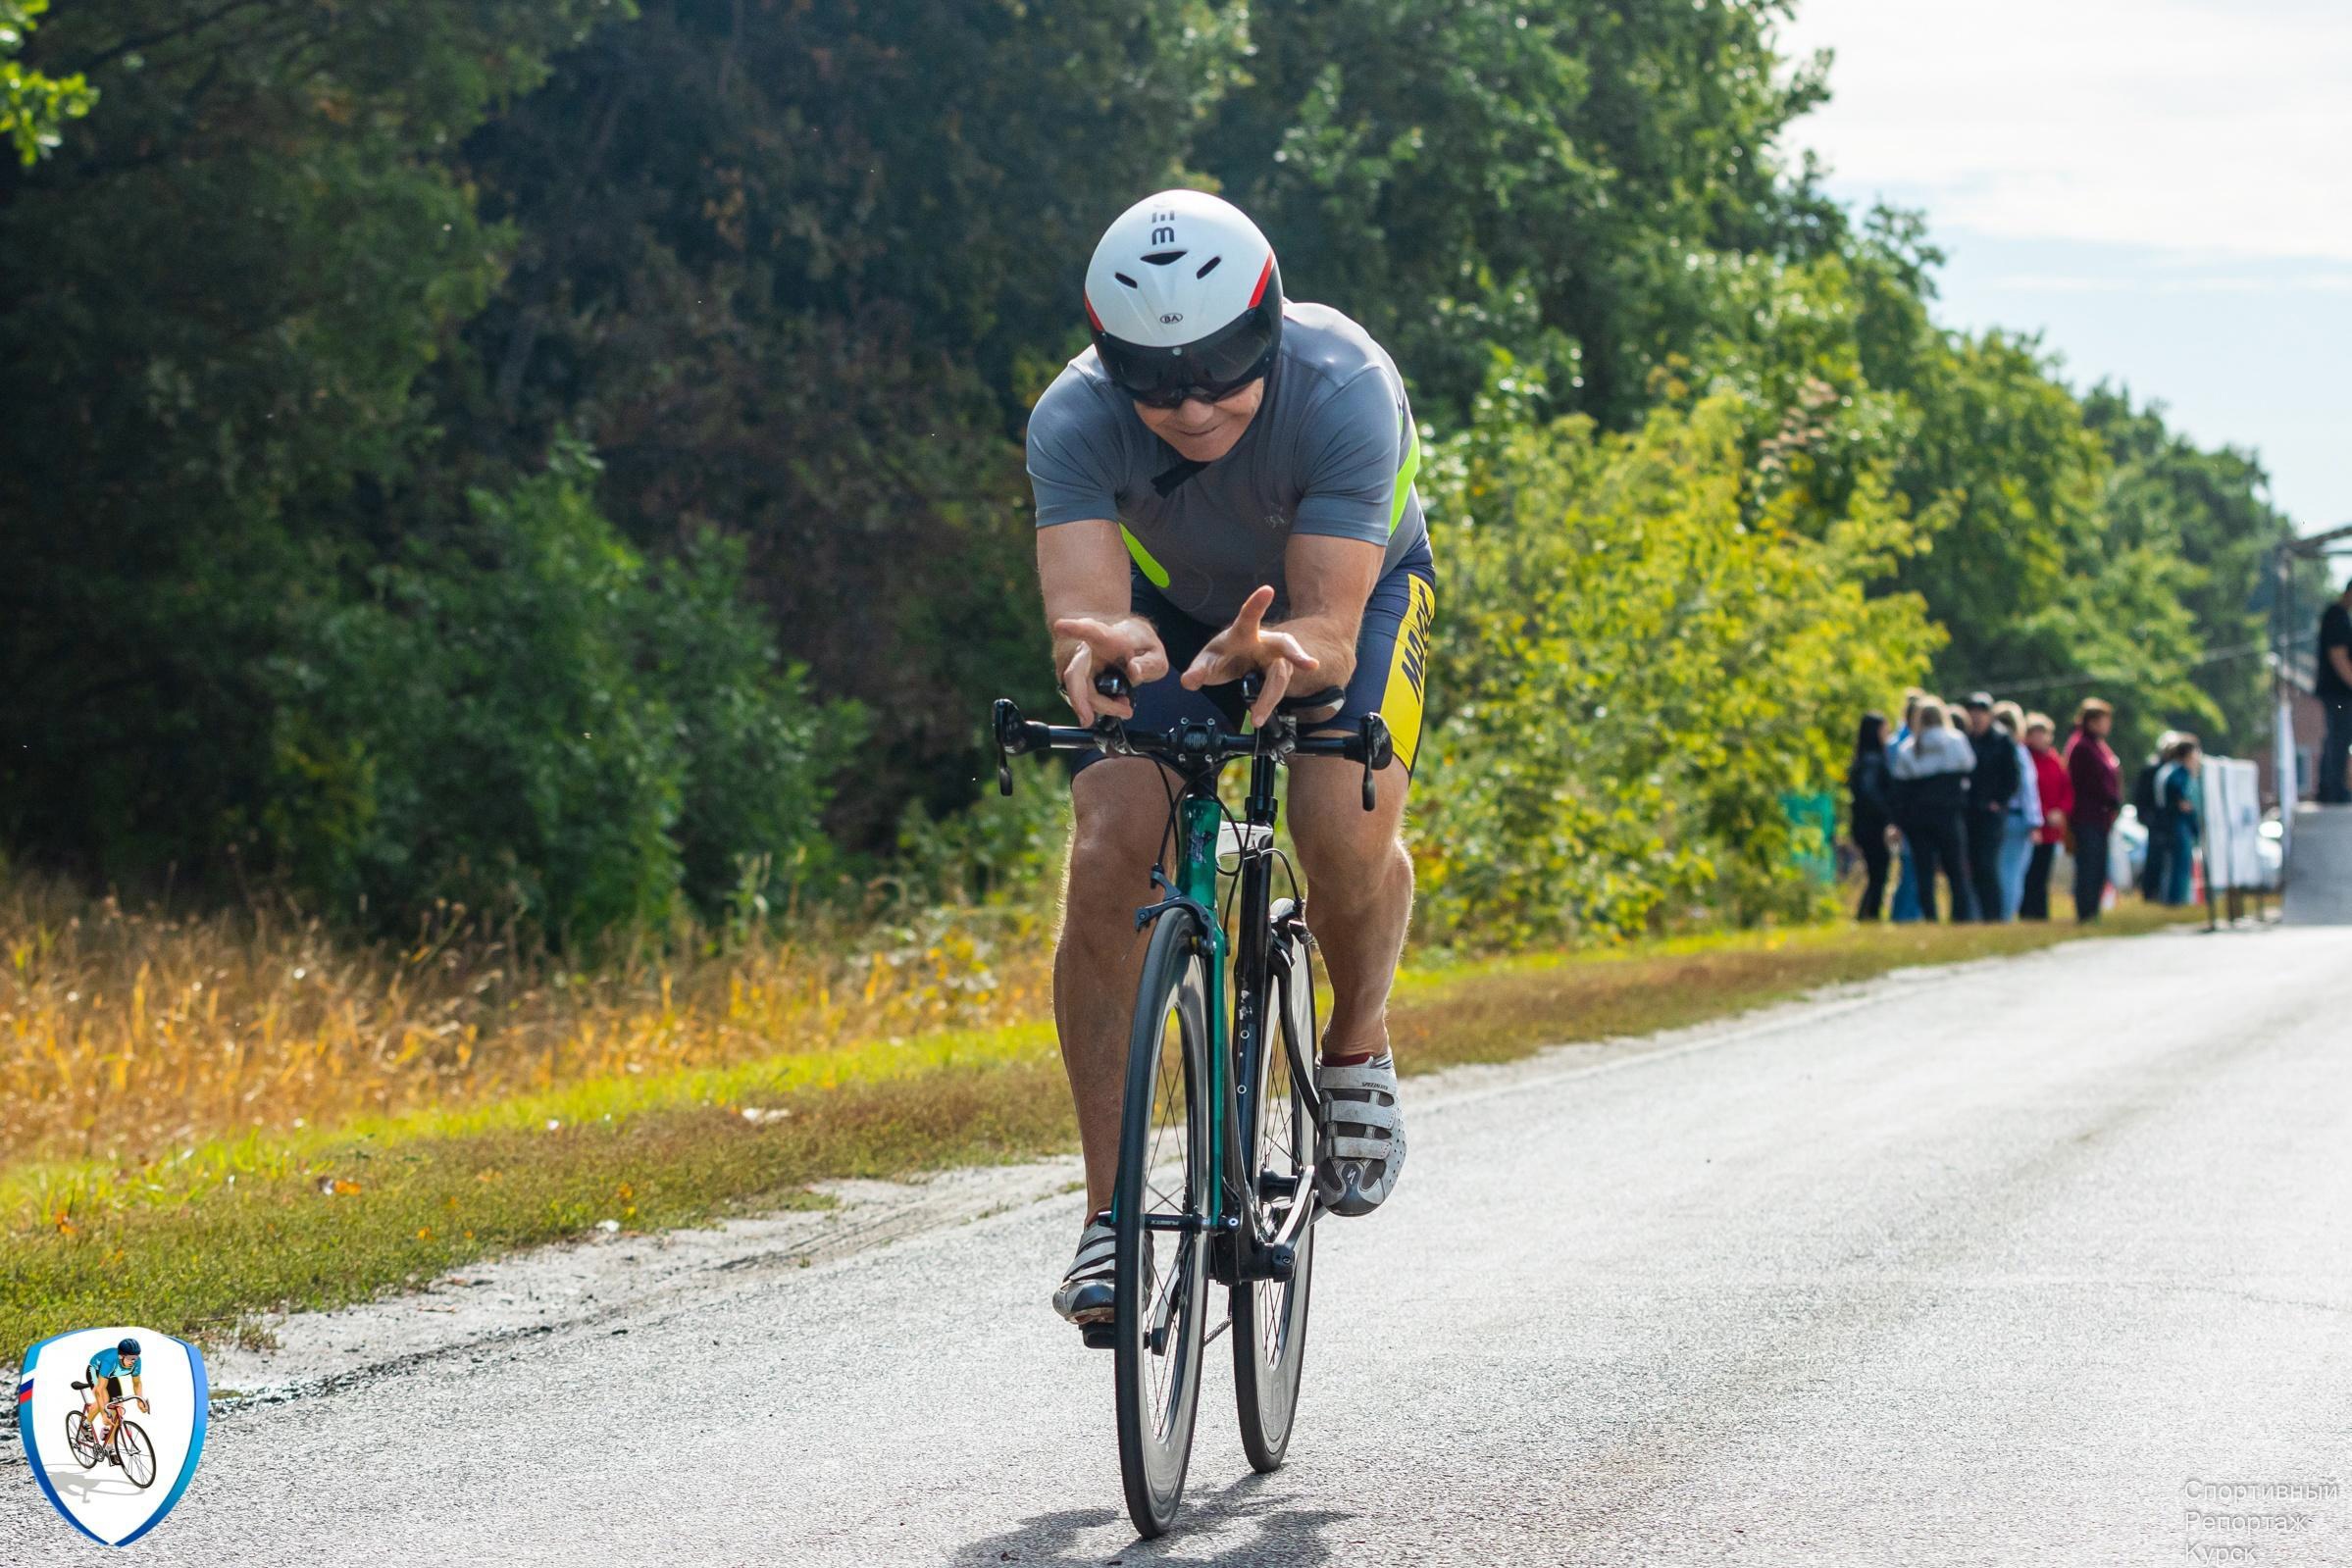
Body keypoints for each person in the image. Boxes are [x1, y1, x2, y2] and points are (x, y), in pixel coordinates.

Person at [1027, 190, 1427, 1328]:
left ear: (1269, 324)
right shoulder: (1071, 418)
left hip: (1349, 599)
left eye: (1221, 368)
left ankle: (1354, 1044)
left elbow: (1329, 628)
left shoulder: (1344, 386)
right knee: (1111, 844)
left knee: (1338, 820)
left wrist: (1285, 652)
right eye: (1155, 382)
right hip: (1174, 611)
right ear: (1111, 364)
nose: (1193, 404)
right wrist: (1099, 652)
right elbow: (1087, 616)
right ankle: (1110, 1218)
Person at [1890, 699, 1977, 921]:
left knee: (1924, 870)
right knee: (1955, 867)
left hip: (1918, 817)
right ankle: (1961, 915)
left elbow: (1900, 788)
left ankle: (1930, 915)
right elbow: (1969, 765)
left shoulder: (1908, 747)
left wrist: (1898, 821)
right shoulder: (1956, 740)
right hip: (1948, 813)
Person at [1962, 693, 2021, 923]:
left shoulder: (2002, 740)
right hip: (1968, 812)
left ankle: (1993, 915)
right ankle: (1974, 915)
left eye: (1981, 712)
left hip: (1991, 813)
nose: (1977, 717)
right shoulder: (1964, 738)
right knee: (1971, 865)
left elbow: (2012, 777)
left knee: (1987, 864)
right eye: (1973, 712)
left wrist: (1999, 801)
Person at [2065, 699, 2122, 922]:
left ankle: (2093, 911)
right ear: (2091, 721)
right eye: (2103, 720)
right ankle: (2086, 912)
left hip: (2101, 817)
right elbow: (2091, 782)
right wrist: (2110, 798)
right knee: (2088, 866)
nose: (2108, 725)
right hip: (2087, 815)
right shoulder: (2082, 746)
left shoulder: (2098, 746)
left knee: (2098, 866)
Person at [1991, 698, 2041, 919]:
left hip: (1998, 816)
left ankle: (1997, 913)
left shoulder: (1992, 748)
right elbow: (2028, 789)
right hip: (2017, 817)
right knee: (2011, 870)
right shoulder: (2018, 751)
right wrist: (2034, 821)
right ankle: (2005, 915)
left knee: (1998, 868)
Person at [2020, 712, 2072, 921]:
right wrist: (2042, 814)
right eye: (2035, 733)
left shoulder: (2055, 760)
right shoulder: (2025, 758)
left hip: (2051, 828)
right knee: (2028, 872)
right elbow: (2028, 793)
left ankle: (2040, 914)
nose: (2040, 738)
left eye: (2043, 733)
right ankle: (2026, 912)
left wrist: (2060, 810)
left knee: (2042, 873)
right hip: (2032, 825)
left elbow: (2067, 789)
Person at [1848, 713, 1895, 919]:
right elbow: (1870, 792)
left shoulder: (1861, 759)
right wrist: (1888, 813)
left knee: (1876, 871)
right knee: (1879, 871)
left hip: (1863, 823)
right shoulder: (1873, 760)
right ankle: (1870, 913)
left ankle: (1867, 913)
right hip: (1873, 825)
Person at [1888, 689, 1925, 922]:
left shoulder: (1897, 742)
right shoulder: (1904, 744)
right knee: (1911, 866)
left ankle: (1906, 914)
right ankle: (1905, 915)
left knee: (1911, 866)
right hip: (1909, 812)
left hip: (1907, 812)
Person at [2131, 730, 2181, 899]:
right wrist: (2148, 817)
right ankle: (2151, 892)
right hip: (2156, 821)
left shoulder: (2173, 770)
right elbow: (2141, 796)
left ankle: (2164, 893)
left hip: (2169, 821)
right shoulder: (2152, 769)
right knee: (2155, 857)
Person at [2154, 736, 2203, 905]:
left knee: (2176, 864)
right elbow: (2181, 800)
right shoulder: (2178, 773)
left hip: (2173, 823)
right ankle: (2176, 900)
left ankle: (2175, 899)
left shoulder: (2169, 770)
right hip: (2178, 824)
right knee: (2179, 865)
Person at [81, 1337, 148, 1458]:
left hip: (110, 1375)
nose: (134, 1361)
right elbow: (99, 1390)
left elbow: (137, 1383)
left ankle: (109, 1448)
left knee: (119, 1412)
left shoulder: (137, 1361)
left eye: (136, 1357)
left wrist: (140, 1401)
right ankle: (86, 1424)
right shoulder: (109, 1361)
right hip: (96, 1370)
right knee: (105, 1400)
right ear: (121, 1356)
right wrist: (104, 1414)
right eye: (130, 1358)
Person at [2319, 578, 2352, 805]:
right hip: (2338, 693)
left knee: (2339, 739)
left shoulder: (2342, 617)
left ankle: (2334, 788)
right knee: (2338, 740)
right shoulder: (2337, 617)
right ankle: (2333, 790)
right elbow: (2338, 657)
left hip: (2340, 693)